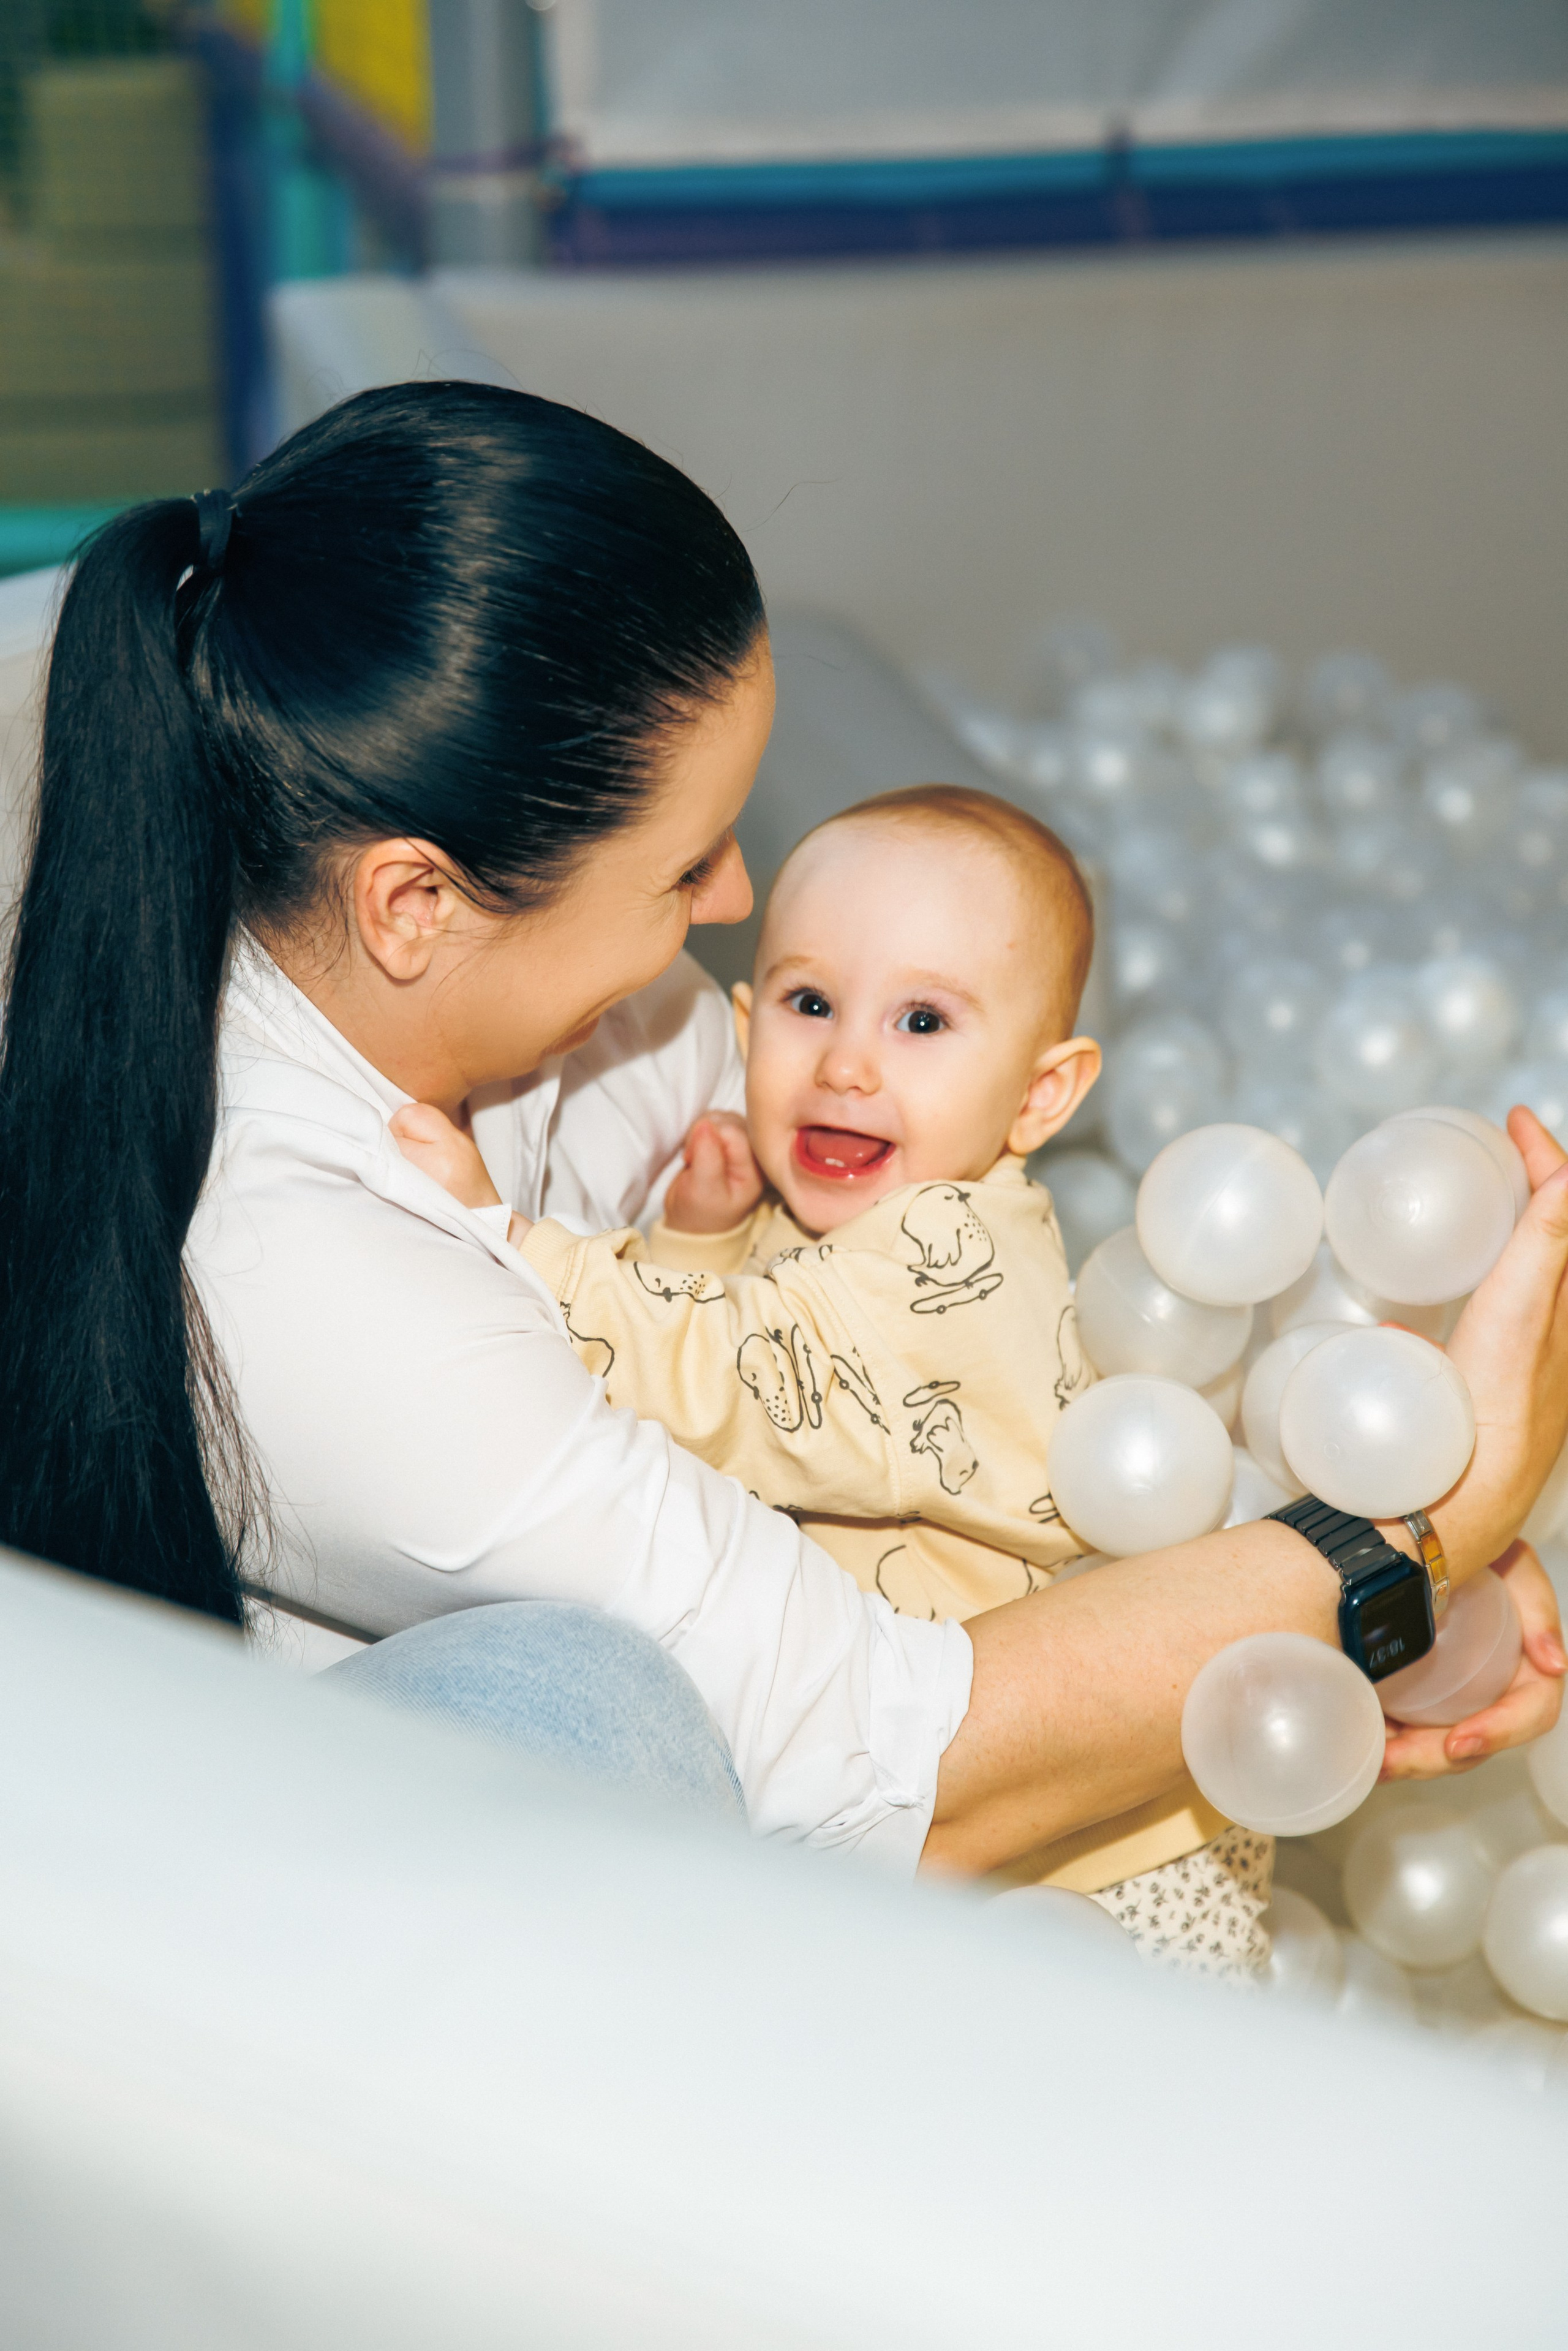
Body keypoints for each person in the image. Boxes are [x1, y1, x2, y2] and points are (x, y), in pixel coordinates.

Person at [0, 380, 1564, 1887]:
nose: (736, 908)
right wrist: (1413, 1527)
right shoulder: (309, 1284)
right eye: (685, 869)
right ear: (416, 902)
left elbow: (927, 1319)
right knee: (572, 1700)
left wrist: (1285, 1558)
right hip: (285, 1927)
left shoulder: (575, 1015)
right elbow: (891, 1765)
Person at [394, 780, 1281, 1974]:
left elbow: (729, 1380)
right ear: (749, 1028)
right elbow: (756, 1361)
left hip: (1098, 1855)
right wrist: (700, 1241)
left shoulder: (948, 1251)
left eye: (921, 1023)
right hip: (954, 1807)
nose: (849, 1064)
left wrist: (506, 1235)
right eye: (813, 1004)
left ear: (1039, 1094)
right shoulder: (858, 1215)